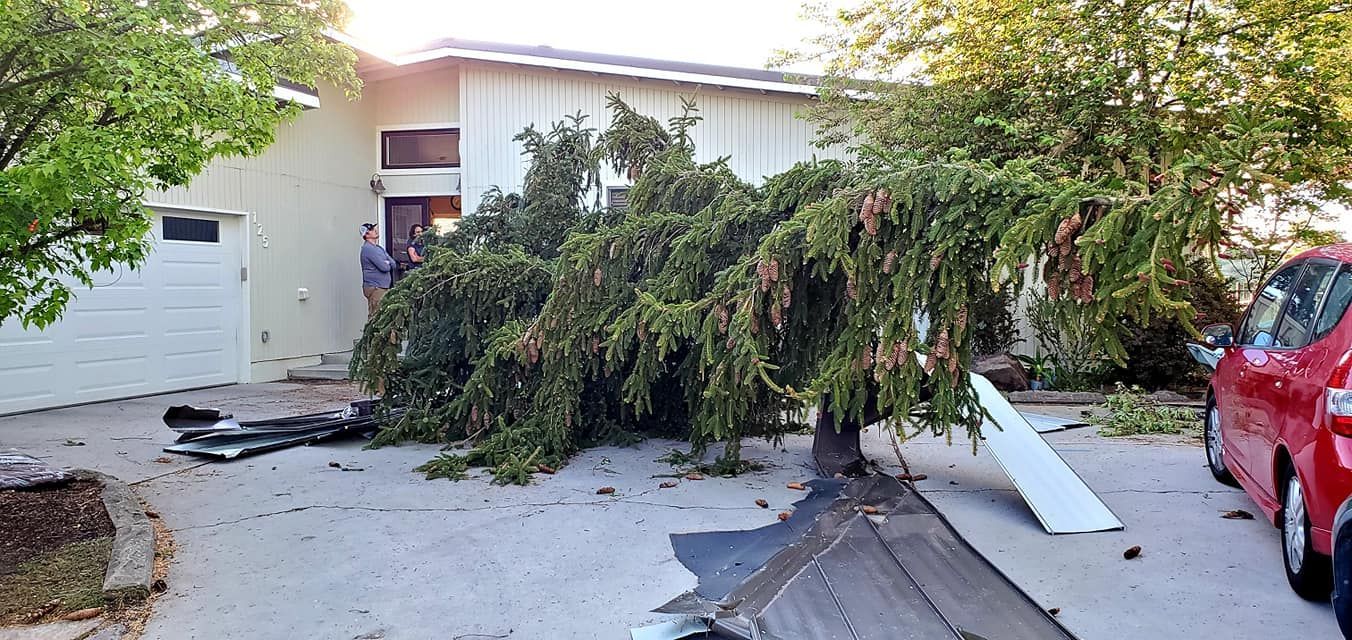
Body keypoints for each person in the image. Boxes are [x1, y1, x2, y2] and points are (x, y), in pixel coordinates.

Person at [359, 223, 396, 319]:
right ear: (366, 234)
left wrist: (387, 262)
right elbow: (385, 267)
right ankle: (372, 334)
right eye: (371, 230)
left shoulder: (378, 248)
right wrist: (386, 263)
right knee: (376, 316)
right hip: (376, 287)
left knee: (384, 316)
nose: (375, 230)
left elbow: (393, 263)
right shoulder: (368, 249)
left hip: (383, 286)